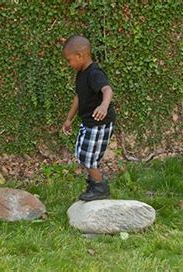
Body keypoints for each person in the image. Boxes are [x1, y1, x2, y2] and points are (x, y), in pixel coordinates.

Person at [62, 35, 116, 201]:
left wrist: (103, 106)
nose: (69, 64)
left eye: (69, 60)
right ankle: (94, 183)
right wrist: (69, 118)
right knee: (81, 153)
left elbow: (107, 90)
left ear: (80, 55)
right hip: (89, 123)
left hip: (100, 123)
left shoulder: (94, 73)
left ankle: (100, 188)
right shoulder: (81, 74)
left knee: (88, 157)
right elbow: (79, 97)